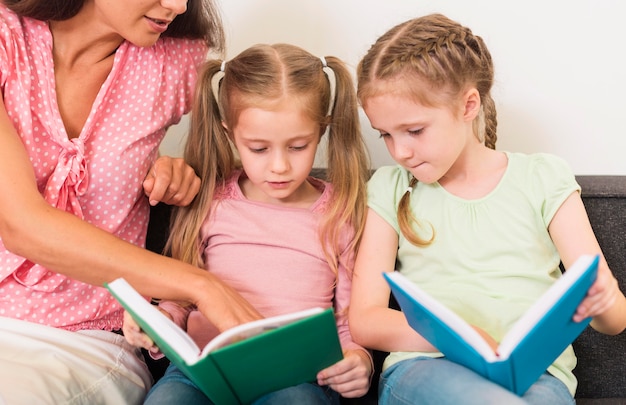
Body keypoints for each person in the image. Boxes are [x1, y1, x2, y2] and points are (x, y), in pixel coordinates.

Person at [348, 13, 626, 405]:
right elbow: (364, 320)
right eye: (386, 135)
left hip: (536, 378)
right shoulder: (390, 190)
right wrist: (459, 336)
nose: (399, 152)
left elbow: (614, 320)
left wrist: (606, 300)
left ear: (468, 105)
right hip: (426, 369)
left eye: (414, 131)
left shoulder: (543, 179)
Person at [0, 1, 262, 404]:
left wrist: (177, 168)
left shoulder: (177, 61)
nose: (177, 5)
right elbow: (19, 223)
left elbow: (270, 144)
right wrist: (201, 285)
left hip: (85, 341)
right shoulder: (6, 37)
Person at [122, 43, 374, 404]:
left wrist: (358, 360)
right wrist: (155, 322)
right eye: (258, 148)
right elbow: (181, 301)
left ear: (321, 131)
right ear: (229, 133)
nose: (279, 166)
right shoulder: (212, 200)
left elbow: (350, 323)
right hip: (205, 369)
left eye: (298, 146)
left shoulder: (340, 211)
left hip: (296, 376)